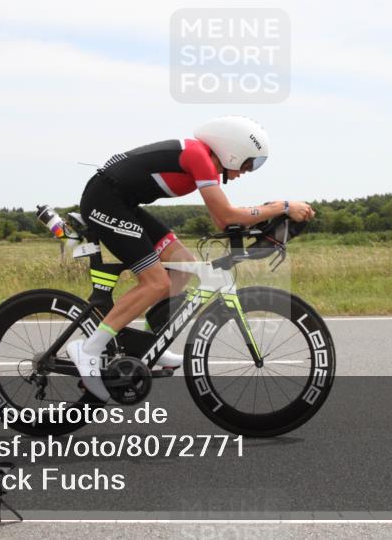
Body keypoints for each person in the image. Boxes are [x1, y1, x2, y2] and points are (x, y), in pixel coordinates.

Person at [67, 115, 316, 401]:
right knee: (156, 283)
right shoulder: (198, 157)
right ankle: (88, 349)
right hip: (105, 201)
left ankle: (150, 346)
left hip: (123, 203)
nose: (247, 171)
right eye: (249, 163)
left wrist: (269, 213)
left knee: (182, 268)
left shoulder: (200, 158)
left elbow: (223, 220)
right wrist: (281, 206)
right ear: (231, 150)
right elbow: (227, 217)